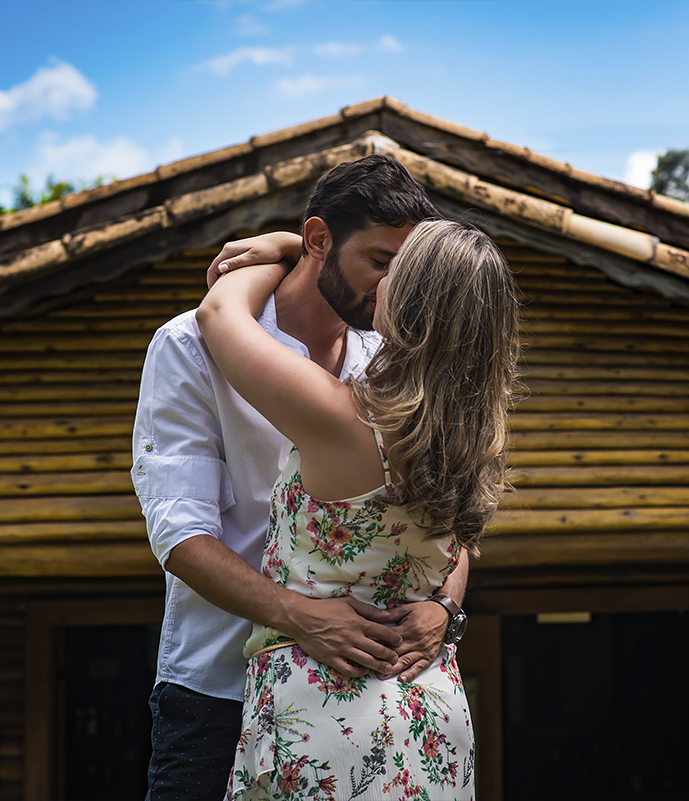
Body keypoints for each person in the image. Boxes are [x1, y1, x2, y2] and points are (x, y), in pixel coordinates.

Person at [131, 155, 468, 801]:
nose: (393, 285)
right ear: (318, 239)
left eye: (406, 268)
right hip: (221, 688)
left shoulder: (396, 359)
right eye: (380, 261)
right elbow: (181, 537)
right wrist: (303, 619)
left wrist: (445, 606)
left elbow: (452, 513)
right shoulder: (189, 346)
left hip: (382, 690)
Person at [196, 218, 521, 799]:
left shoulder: (344, 420)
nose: (381, 280)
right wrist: (446, 606)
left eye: (398, 270)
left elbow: (218, 313)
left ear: (413, 304)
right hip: (431, 713)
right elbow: (453, 551)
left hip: (329, 721)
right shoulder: (472, 439)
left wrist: (287, 249)